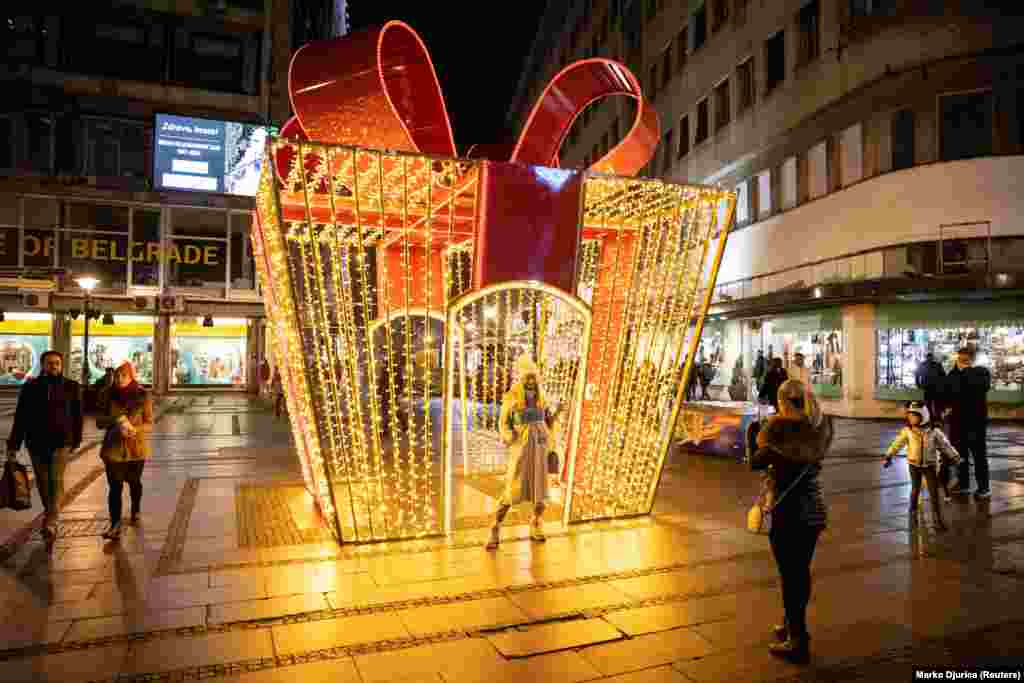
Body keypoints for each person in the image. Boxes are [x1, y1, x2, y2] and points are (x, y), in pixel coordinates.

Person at [752, 379, 832, 663]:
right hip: (814, 509)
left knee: (790, 576)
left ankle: (798, 640)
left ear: (783, 401)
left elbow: (755, 461)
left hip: (787, 512)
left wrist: (756, 433)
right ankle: (790, 625)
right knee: (801, 571)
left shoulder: (778, 429)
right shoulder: (819, 426)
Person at [7, 351, 83, 541]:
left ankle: (51, 520)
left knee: (55, 480)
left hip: (61, 443)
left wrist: (76, 439)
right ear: (43, 365)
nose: (54, 366)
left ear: (61, 365)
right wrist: (14, 444)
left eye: (57, 363)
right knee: (42, 481)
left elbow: (77, 416)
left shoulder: (71, 387)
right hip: (36, 442)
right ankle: (50, 515)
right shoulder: (31, 387)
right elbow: (21, 417)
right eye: (50, 363)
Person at [486, 354, 558, 550]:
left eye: (534, 377)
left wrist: (555, 418)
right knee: (513, 489)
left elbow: (549, 421)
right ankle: (495, 526)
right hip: (522, 447)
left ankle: (536, 522)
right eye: (528, 377)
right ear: (521, 378)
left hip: (541, 446)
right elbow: (503, 422)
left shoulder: (543, 398)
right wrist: (509, 436)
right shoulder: (512, 397)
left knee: (541, 490)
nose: (531, 381)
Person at [98, 362, 153, 539]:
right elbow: (99, 421)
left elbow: (149, 423)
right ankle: (115, 525)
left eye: (124, 376)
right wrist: (115, 422)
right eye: (117, 376)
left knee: (134, 481)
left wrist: (136, 429)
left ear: (131, 377)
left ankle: (135, 508)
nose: (119, 379)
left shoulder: (142, 395)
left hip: (136, 449)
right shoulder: (106, 394)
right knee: (115, 486)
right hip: (113, 449)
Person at [884, 402, 960, 529]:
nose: (910, 418)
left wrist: (954, 456)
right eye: (909, 416)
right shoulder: (908, 431)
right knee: (915, 489)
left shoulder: (934, 432)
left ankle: (937, 520)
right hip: (913, 465)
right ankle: (912, 510)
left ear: (923, 416)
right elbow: (897, 443)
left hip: (929, 466)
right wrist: (889, 455)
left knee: (933, 493)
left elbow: (945, 445)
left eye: (914, 416)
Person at [943, 346, 992, 498]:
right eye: (960, 359)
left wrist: (965, 370)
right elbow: (949, 391)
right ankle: (963, 484)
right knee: (960, 454)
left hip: (976, 421)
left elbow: (980, 386)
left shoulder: (982, 372)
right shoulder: (954, 374)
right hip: (958, 421)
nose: (961, 362)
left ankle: (983, 488)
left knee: (979, 455)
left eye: (964, 359)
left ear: (972, 359)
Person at [914, 352, 946, 420]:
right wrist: (918, 385)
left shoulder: (923, 365)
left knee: (931, 403)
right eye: (929, 358)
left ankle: (933, 416)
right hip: (932, 388)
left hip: (930, 388)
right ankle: (935, 416)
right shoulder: (936, 365)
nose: (930, 359)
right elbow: (943, 376)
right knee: (933, 403)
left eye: (930, 358)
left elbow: (917, 376)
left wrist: (919, 385)